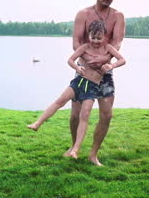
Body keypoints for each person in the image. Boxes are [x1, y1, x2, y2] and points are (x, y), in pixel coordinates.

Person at [28, 20, 126, 156]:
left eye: (99, 38)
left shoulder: (108, 48)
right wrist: (77, 67)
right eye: (93, 37)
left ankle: (75, 149)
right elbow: (70, 60)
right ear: (88, 35)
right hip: (79, 82)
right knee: (60, 101)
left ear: (104, 36)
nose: (96, 41)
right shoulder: (84, 47)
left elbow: (122, 60)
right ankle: (37, 123)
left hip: (92, 88)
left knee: (84, 115)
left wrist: (111, 66)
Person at [66, 0, 126, 166]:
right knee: (76, 114)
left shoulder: (118, 16)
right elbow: (76, 42)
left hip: (105, 71)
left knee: (106, 115)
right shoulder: (83, 14)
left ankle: (93, 154)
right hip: (84, 70)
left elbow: (116, 43)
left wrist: (104, 61)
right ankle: (73, 147)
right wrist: (87, 61)